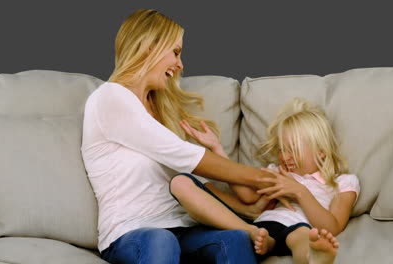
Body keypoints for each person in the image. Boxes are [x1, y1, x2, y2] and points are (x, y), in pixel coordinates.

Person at [81, 9, 283, 264]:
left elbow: (192, 183)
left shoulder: (159, 114)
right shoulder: (111, 98)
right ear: (149, 45)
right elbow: (190, 158)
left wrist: (245, 209)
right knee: (160, 240)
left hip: (183, 228)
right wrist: (266, 179)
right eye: (175, 52)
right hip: (131, 232)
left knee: (234, 239)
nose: (180, 65)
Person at [173, 97, 360, 264]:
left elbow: (332, 227)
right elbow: (247, 197)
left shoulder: (343, 182)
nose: (285, 156)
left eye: (293, 149)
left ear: (321, 151)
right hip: (260, 227)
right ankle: (266, 244)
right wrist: (216, 149)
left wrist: (300, 191)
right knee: (181, 182)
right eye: (281, 150)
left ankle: (313, 259)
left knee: (302, 237)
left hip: (298, 230)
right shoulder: (278, 173)